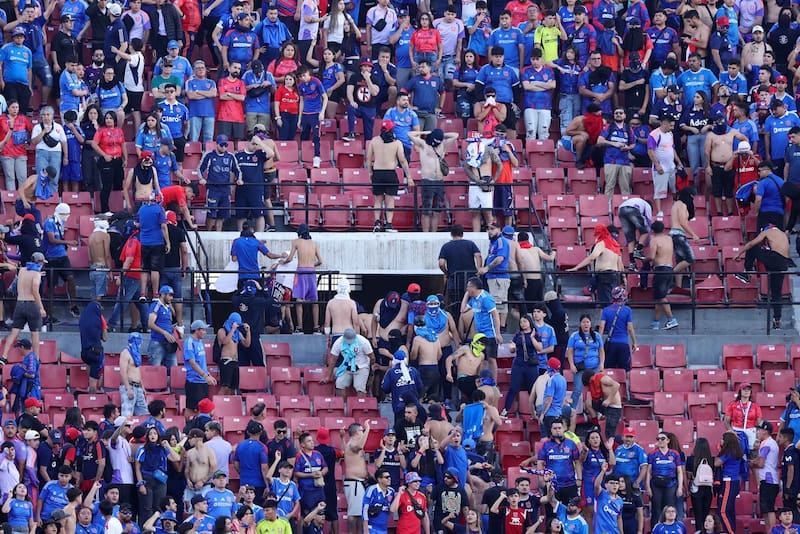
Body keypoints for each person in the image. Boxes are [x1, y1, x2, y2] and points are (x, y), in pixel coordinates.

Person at [734, 224, 794, 329]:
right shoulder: (783, 234)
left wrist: (739, 253)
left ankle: (747, 273)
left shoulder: (767, 232)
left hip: (775, 259)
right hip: (783, 264)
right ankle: (777, 320)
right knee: (776, 292)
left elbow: (751, 243)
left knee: (752, 248)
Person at [408, 129, 459, 232]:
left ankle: (434, 233)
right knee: (426, 211)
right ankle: (426, 234)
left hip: (439, 181)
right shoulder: (423, 145)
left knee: (437, 211)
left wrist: (441, 134)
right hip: (428, 181)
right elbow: (410, 134)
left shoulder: (442, 145)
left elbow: (455, 135)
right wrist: (425, 133)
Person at [366, 120, 411, 233]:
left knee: (378, 199)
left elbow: (368, 158)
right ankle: (388, 225)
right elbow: (403, 160)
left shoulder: (374, 141)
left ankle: (377, 223)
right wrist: (409, 176)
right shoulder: (397, 143)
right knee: (390, 200)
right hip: (390, 173)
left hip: (377, 172)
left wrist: (370, 173)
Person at [0, 253, 46, 364]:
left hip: (20, 303)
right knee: (35, 333)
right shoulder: (36, 274)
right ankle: (35, 358)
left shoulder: (22, 270)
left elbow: (25, 278)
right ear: (39, 262)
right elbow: (35, 291)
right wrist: (41, 308)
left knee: (14, 331)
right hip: (32, 305)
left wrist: (38, 274)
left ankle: (4, 356)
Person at [280, 223, 323, 333]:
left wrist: (283, 262)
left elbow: (289, 259)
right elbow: (320, 261)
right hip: (311, 271)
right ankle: (316, 326)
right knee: (314, 300)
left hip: (301, 271)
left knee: (299, 300)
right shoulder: (314, 243)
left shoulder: (296, 242)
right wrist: (313, 266)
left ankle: (299, 327)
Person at [567, 224, 624, 305]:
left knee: (606, 304)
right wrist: (623, 278)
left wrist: (576, 267)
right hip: (615, 276)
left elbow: (592, 258)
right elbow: (620, 263)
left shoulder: (602, 243)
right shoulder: (615, 244)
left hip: (604, 276)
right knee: (614, 302)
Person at [438, 226, 482, 319]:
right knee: (472, 305)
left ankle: (458, 327)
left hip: (455, 281)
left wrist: (446, 273)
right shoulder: (470, 244)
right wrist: (479, 270)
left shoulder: (446, 246)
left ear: (451, 234)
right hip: (471, 280)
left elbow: (441, 263)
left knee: (455, 307)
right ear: (462, 234)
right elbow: (478, 256)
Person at [647, 221, 680, 330]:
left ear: (652, 230)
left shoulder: (654, 240)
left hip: (660, 269)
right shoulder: (669, 239)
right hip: (670, 268)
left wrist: (643, 259)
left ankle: (671, 319)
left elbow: (651, 257)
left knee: (661, 297)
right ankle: (656, 322)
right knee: (659, 297)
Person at [647, 431, 684, 523]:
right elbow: (648, 471)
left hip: (671, 484)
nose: (660, 441)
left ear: (668, 440)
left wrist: (680, 487)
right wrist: (647, 486)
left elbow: (679, 471)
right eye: (658, 439)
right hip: (656, 484)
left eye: (662, 439)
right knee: (656, 509)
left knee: (670, 509)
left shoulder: (675, 454)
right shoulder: (652, 454)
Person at [183, 320, 216, 417]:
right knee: (191, 408)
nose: (205, 332)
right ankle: (188, 427)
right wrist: (205, 376)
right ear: (197, 330)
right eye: (203, 330)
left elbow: (202, 363)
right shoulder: (189, 342)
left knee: (203, 408)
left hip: (202, 381)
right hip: (194, 381)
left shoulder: (200, 342)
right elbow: (192, 363)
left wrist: (208, 375)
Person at [724, 383, 763, 451]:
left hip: (751, 431)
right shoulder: (733, 405)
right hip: (737, 431)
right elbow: (726, 421)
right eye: (744, 389)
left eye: (748, 389)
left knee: (752, 454)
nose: (746, 391)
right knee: (737, 453)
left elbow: (759, 424)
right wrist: (731, 431)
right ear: (740, 391)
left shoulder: (755, 406)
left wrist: (758, 439)